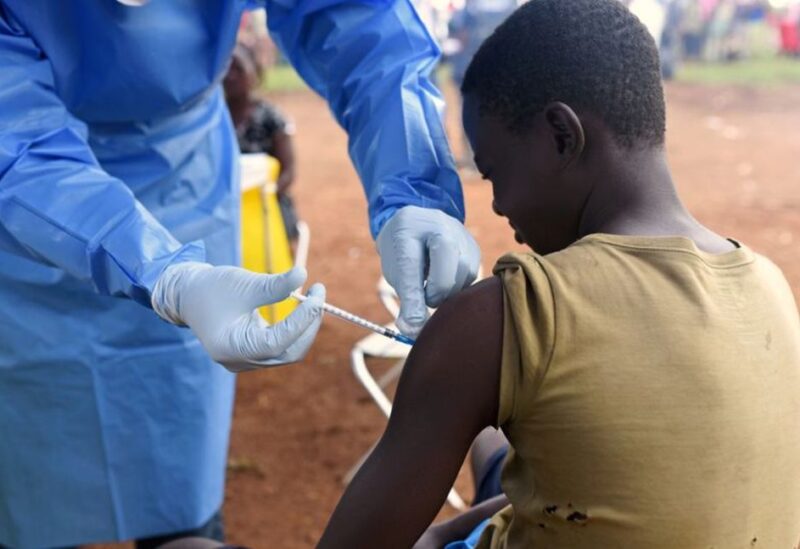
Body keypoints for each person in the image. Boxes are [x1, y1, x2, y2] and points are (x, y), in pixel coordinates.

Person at [317, 0, 800, 547]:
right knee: (491, 441)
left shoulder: (510, 315)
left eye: (494, 171)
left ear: (561, 136)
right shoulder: (767, 284)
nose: (497, 205)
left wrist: (434, 539)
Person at [0, 1, 479, 547]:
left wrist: (414, 184)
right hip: (31, 219)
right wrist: (163, 275)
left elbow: (360, 22)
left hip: (184, 180)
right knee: (38, 467)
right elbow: (17, 150)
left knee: (174, 461)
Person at [224, 42, 300, 245]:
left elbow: (288, 171)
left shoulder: (271, 118)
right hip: (224, 208)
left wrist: (263, 195)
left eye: (238, 68)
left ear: (254, 73)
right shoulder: (214, 121)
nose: (230, 76)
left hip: (266, 205)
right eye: (225, 69)